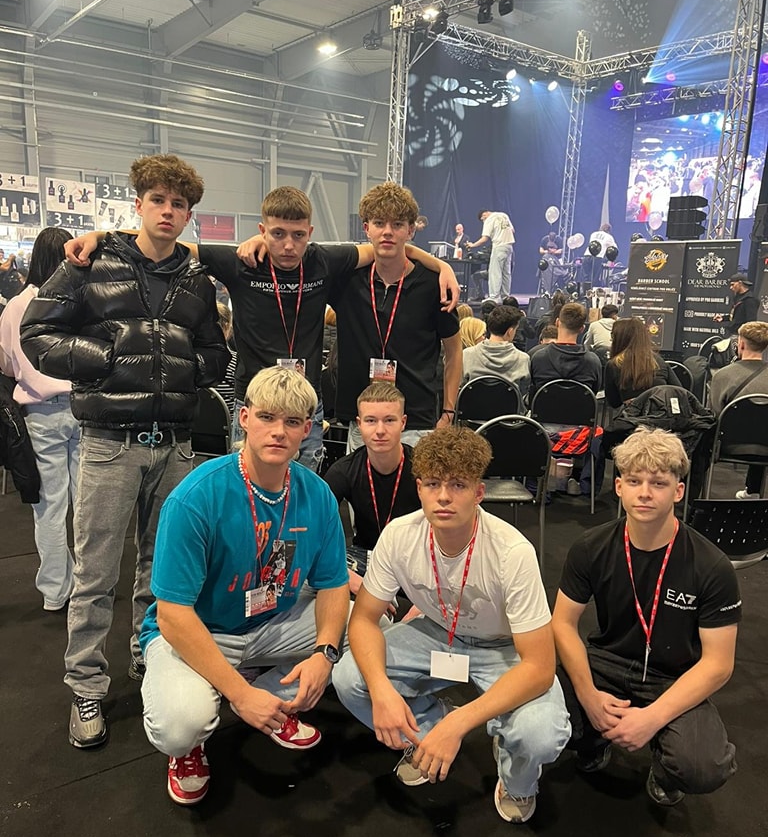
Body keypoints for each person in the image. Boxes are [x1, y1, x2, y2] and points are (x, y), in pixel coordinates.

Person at [20, 154, 229, 749]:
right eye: (158, 200)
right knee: (95, 572)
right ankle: (86, 683)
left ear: (188, 215)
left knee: (163, 570)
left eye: (179, 204)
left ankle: (149, 652)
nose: (168, 211)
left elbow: (216, 354)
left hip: (177, 446)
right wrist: (108, 359)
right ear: (138, 203)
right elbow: (36, 334)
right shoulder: (92, 262)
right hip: (110, 443)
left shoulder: (195, 279)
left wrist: (183, 368)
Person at [64, 187, 459, 471]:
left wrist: (442, 265)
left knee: (303, 485)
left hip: (307, 401)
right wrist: (101, 237)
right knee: (249, 486)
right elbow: (170, 245)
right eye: (277, 234)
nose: (288, 245)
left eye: (298, 235)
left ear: (310, 234)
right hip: (254, 400)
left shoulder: (324, 261)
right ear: (262, 230)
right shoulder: (242, 262)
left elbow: (388, 247)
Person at [333, 426, 570, 823]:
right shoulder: (399, 535)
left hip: (503, 646)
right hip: (438, 633)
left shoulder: (512, 552)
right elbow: (363, 621)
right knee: (349, 678)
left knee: (540, 734)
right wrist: (381, 690)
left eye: (458, 485)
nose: (443, 496)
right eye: (433, 484)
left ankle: (516, 778)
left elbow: (540, 667)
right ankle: (429, 730)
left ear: (479, 493)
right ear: (419, 488)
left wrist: (462, 722)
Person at [139, 367, 350, 805]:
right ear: (244, 418)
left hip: (271, 621)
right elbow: (173, 616)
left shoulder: (317, 494)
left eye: (292, 422)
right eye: (267, 417)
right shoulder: (196, 497)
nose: (279, 431)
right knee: (180, 726)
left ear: (307, 430)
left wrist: (324, 654)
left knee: (368, 630)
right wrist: (239, 695)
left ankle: (269, 697)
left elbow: (332, 585)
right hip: (199, 630)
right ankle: (214, 721)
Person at [552, 427, 740, 807]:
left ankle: (666, 768)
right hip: (606, 663)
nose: (645, 493)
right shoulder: (590, 547)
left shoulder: (711, 565)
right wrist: (588, 696)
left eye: (658, 483)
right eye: (635, 481)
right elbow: (563, 624)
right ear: (618, 487)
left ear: (678, 491)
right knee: (540, 719)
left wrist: (653, 718)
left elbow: (719, 664)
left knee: (702, 766)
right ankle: (593, 740)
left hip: (672, 675)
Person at [328, 182, 462, 452]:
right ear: (367, 228)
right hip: (363, 419)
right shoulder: (346, 280)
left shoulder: (434, 286)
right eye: (379, 223)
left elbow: (454, 350)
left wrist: (448, 412)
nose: (387, 231)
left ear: (411, 230)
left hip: (416, 420)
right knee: (363, 482)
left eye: (397, 224)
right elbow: (299, 257)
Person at [0, 228, 79, 612]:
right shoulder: (80, 300)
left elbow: (5, 363)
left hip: (39, 412)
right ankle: (90, 585)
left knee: (48, 507)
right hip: (83, 410)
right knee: (88, 508)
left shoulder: (17, 305)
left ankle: (54, 592)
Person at [324, 382, 420, 593]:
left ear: (403, 423)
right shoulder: (343, 471)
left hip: (416, 561)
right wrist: (345, 576)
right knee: (322, 580)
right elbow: (314, 532)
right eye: (371, 421)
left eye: (389, 420)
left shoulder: (424, 468)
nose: (380, 430)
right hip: (365, 558)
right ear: (359, 424)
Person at [709, 320, 768, 498]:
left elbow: (715, 414)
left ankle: (694, 496)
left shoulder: (722, 375)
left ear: (740, 344)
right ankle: (753, 491)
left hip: (728, 446)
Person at [528, 302, 602, 398]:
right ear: (582, 329)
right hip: (580, 408)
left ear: (557, 322)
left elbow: (532, 393)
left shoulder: (538, 358)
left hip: (544, 407)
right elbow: (593, 393)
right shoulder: (593, 361)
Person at [603, 318, 674, 409]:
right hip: (662, 414)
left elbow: (614, 403)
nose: (610, 339)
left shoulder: (613, 365)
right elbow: (679, 390)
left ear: (618, 339)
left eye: (612, 336)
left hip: (632, 415)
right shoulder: (659, 361)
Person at [462, 306, 530, 397]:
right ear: (510, 332)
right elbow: (523, 393)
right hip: (509, 406)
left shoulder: (466, 355)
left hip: (472, 406)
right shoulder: (523, 359)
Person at [467, 209, 515, 303]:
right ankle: (505, 297)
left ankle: (494, 297)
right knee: (506, 273)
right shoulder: (504, 215)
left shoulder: (489, 219)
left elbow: (485, 238)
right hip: (509, 246)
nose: (483, 221)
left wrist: (472, 245)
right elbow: (512, 230)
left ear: (484, 215)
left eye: (482, 220)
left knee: (495, 273)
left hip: (499, 246)